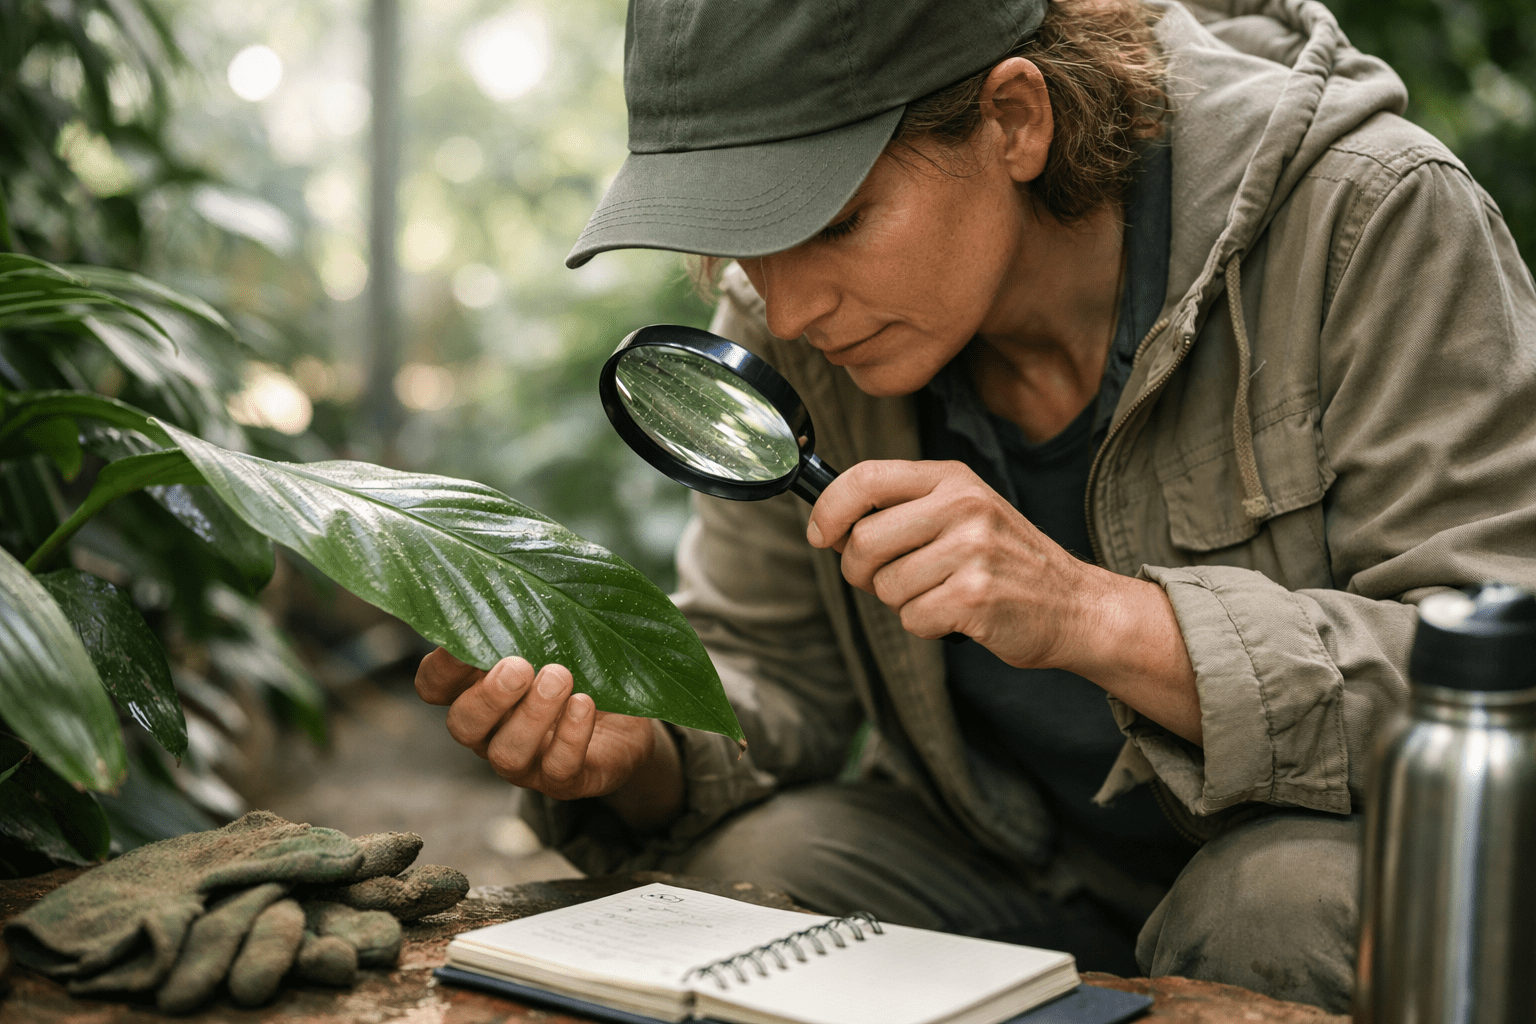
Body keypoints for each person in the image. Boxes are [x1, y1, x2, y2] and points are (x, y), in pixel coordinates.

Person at [414, 0, 1536, 1011]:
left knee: (1274, 906)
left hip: (1320, 852)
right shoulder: (797, 329)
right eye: (741, 236)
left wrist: (1094, 614)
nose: (791, 307)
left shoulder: (1371, 219)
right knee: (754, 874)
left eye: (838, 219)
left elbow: (1504, 679)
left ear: (1013, 120)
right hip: (1007, 855)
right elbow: (767, 670)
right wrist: (636, 749)